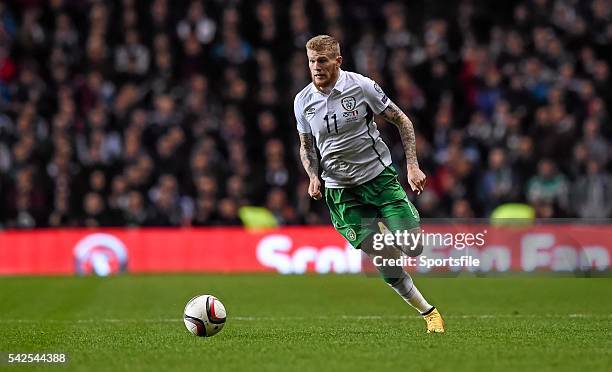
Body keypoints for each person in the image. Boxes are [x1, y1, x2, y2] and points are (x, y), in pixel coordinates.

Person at [294, 35, 445, 333]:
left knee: (412, 248)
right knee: (385, 258)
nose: (316, 67)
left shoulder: (361, 86)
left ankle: (391, 231)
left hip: (378, 179)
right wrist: (312, 175)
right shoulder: (302, 101)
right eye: (311, 61)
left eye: (322, 60)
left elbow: (402, 121)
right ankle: (429, 313)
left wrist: (412, 165)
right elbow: (306, 146)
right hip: (340, 191)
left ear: (338, 60)